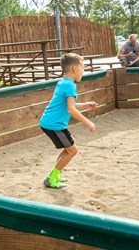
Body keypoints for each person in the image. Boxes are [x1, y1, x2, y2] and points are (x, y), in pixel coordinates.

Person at [39, 53, 97, 188]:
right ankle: (51, 178)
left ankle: (55, 174)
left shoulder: (62, 82)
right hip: (54, 125)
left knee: (69, 147)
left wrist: (84, 105)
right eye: (82, 67)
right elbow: (71, 110)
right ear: (75, 69)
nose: (83, 70)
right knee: (72, 151)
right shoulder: (70, 85)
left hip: (51, 123)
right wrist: (87, 122)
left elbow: (67, 105)